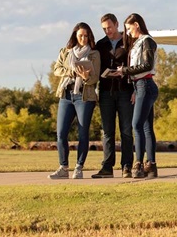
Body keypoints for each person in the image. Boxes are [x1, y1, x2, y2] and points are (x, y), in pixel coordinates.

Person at [49, 22, 100, 179]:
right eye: (80, 36)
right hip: (66, 94)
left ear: (89, 36)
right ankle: (63, 168)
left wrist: (85, 78)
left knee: (83, 133)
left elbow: (95, 77)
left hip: (84, 97)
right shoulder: (66, 52)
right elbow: (57, 69)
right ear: (75, 36)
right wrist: (71, 71)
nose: (83, 38)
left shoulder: (94, 54)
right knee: (61, 133)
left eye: (86, 36)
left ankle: (79, 167)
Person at [110, 13, 159, 179]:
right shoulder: (138, 42)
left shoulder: (147, 41)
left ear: (137, 25)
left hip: (145, 84)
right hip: (139, 86)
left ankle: (138, 163)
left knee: (136, 125)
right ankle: (151, 165)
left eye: (129, 28)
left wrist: (124, 71)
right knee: (145, 127)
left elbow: (147, 65)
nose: (128, 32)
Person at [91, 13, 135, 179]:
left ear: (117, 24)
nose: (107, 31)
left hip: (125, 90)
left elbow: (135, 65)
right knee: (107, 131)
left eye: (109, 27)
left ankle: (127, 166)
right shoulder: (100, 45)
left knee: (126, 130)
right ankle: (107, 167)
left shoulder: (129, 41)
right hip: (105, 92)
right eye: (104, 28)